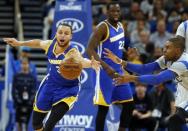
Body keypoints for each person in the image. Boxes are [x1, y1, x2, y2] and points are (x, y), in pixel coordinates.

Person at [4, 23, 100, 131]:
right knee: (36, 123)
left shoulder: (73, 52)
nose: (63, 35)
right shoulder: (50, 45)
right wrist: (19, 43)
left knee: (50, 124)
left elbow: (81, 61)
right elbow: (37, 43)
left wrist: (91, 63)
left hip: (68, 90)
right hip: (50, 85)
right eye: (60, 32)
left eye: (66, 33)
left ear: (71, 36)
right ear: (56, 34)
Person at [104, 37, 188, 131]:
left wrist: (131, 78)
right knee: (175, 120)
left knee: (175, 120)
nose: (164, 50)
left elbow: (157, 79)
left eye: (168, 47)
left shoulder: (183, 63)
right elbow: (144, 69)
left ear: (177, 50)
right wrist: (120, 61)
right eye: (164, 47)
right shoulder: (167, 58)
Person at [86, 2, 134, 131]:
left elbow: (118, 47)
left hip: (118, 72)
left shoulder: (121, 27)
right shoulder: (102, 27)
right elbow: (89, 49)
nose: (116, 14)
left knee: (129, 104)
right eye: (113, 11)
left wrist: (127, 52)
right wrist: (106, 67)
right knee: (103, 109)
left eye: (118, 11)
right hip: (104, 73)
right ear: (107, 12)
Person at [12, 58, 37, 131]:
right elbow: (14, 90)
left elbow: (34, 91)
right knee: (18, 123)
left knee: (27, 124)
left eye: (26, 64)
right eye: (23, 64)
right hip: (18, 104)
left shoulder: (32, 77)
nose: (24, 65)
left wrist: (30, 102)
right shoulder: (16, 76)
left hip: (29, 104)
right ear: (20, 65)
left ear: (29, 65)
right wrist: (18, 101)